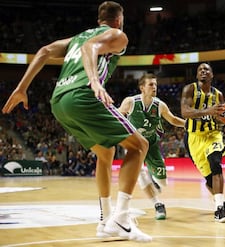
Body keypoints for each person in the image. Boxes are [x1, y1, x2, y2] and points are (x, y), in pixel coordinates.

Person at [1, 1, 151, 242]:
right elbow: (91, 47)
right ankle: (122, 220)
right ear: (119, 20)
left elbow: (44, 51)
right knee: (140, 145)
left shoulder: (76, 38)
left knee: (106, 153)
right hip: (83, 96)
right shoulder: (117, 35)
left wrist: (22, 88)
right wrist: (94, 80)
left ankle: (105, 222)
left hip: (59, 101)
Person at [118, 73, 185, 220]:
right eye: (151, 84)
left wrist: (190, 124)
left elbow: (173, 119)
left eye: (155, 84)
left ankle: (155, 180)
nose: (154, 87)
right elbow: (116, 117)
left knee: (163, 182)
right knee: (139, 174)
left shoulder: (160, 105)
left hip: (151, 143)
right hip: (134, 144)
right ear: (142, 88)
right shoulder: (130, 102)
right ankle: (158, 205)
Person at [180, 63, 225, 223]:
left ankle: (219, 209)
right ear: (197, 75)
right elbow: (185, 112)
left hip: (213, 135)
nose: (203, 71)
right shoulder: (190, 89)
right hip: (194, 137)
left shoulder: (219, 95)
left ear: (212, 75)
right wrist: (206, 112)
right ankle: (219, 199)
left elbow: (221, 118)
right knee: (209, 179)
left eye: (206, 69)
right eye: (200, 69)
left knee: (216, 164)